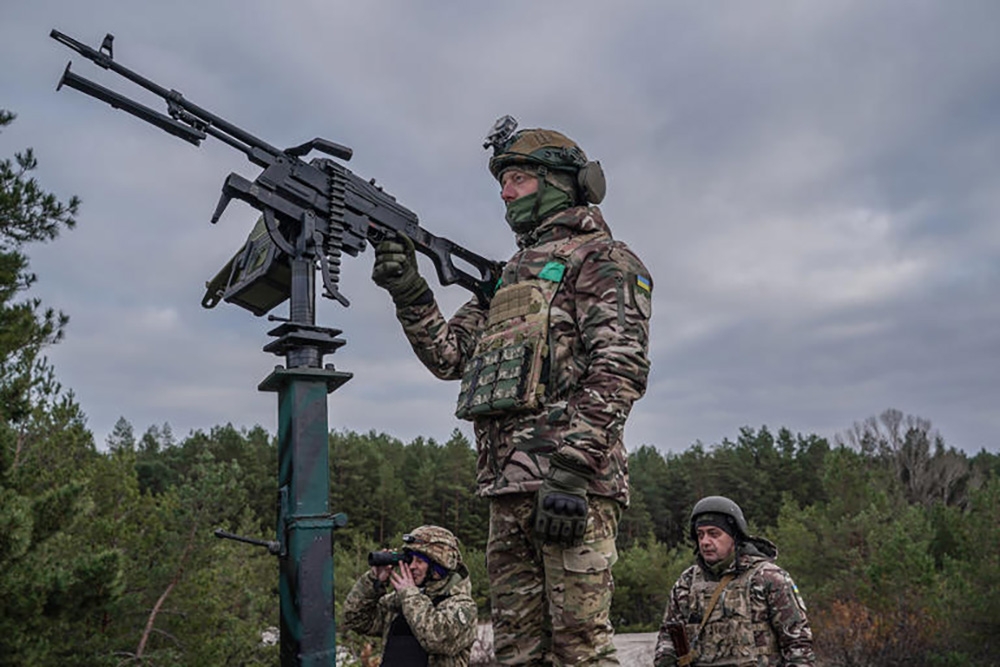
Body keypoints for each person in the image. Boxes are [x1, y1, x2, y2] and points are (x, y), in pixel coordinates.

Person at [371, 115, 653, 666]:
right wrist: (409, 290)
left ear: (560, 182)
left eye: (518, 178)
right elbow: (449, 356)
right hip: (508, 490)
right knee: (517, 653)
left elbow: (619, 369)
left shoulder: (603, 260)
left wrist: (571, 471)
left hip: (574, 486)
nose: (505, 193)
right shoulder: (508, 279)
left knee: (579, 650)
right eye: (502, 181)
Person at [654, 496, 816, 667]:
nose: (705, 542)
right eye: (700, 535)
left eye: (714, 533)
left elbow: (797, 645)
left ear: (735, 536)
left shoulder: (768, 578)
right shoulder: (686, 583)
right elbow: (668, 640)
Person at [342, 525, 477, 667]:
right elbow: (354, 619)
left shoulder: (463, 606)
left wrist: (410, 596)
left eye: (419, 561)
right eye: (409, 560)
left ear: (438, 568)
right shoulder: (402, 601)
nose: (412, 567)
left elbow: (437, 640)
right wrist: (374, 580)